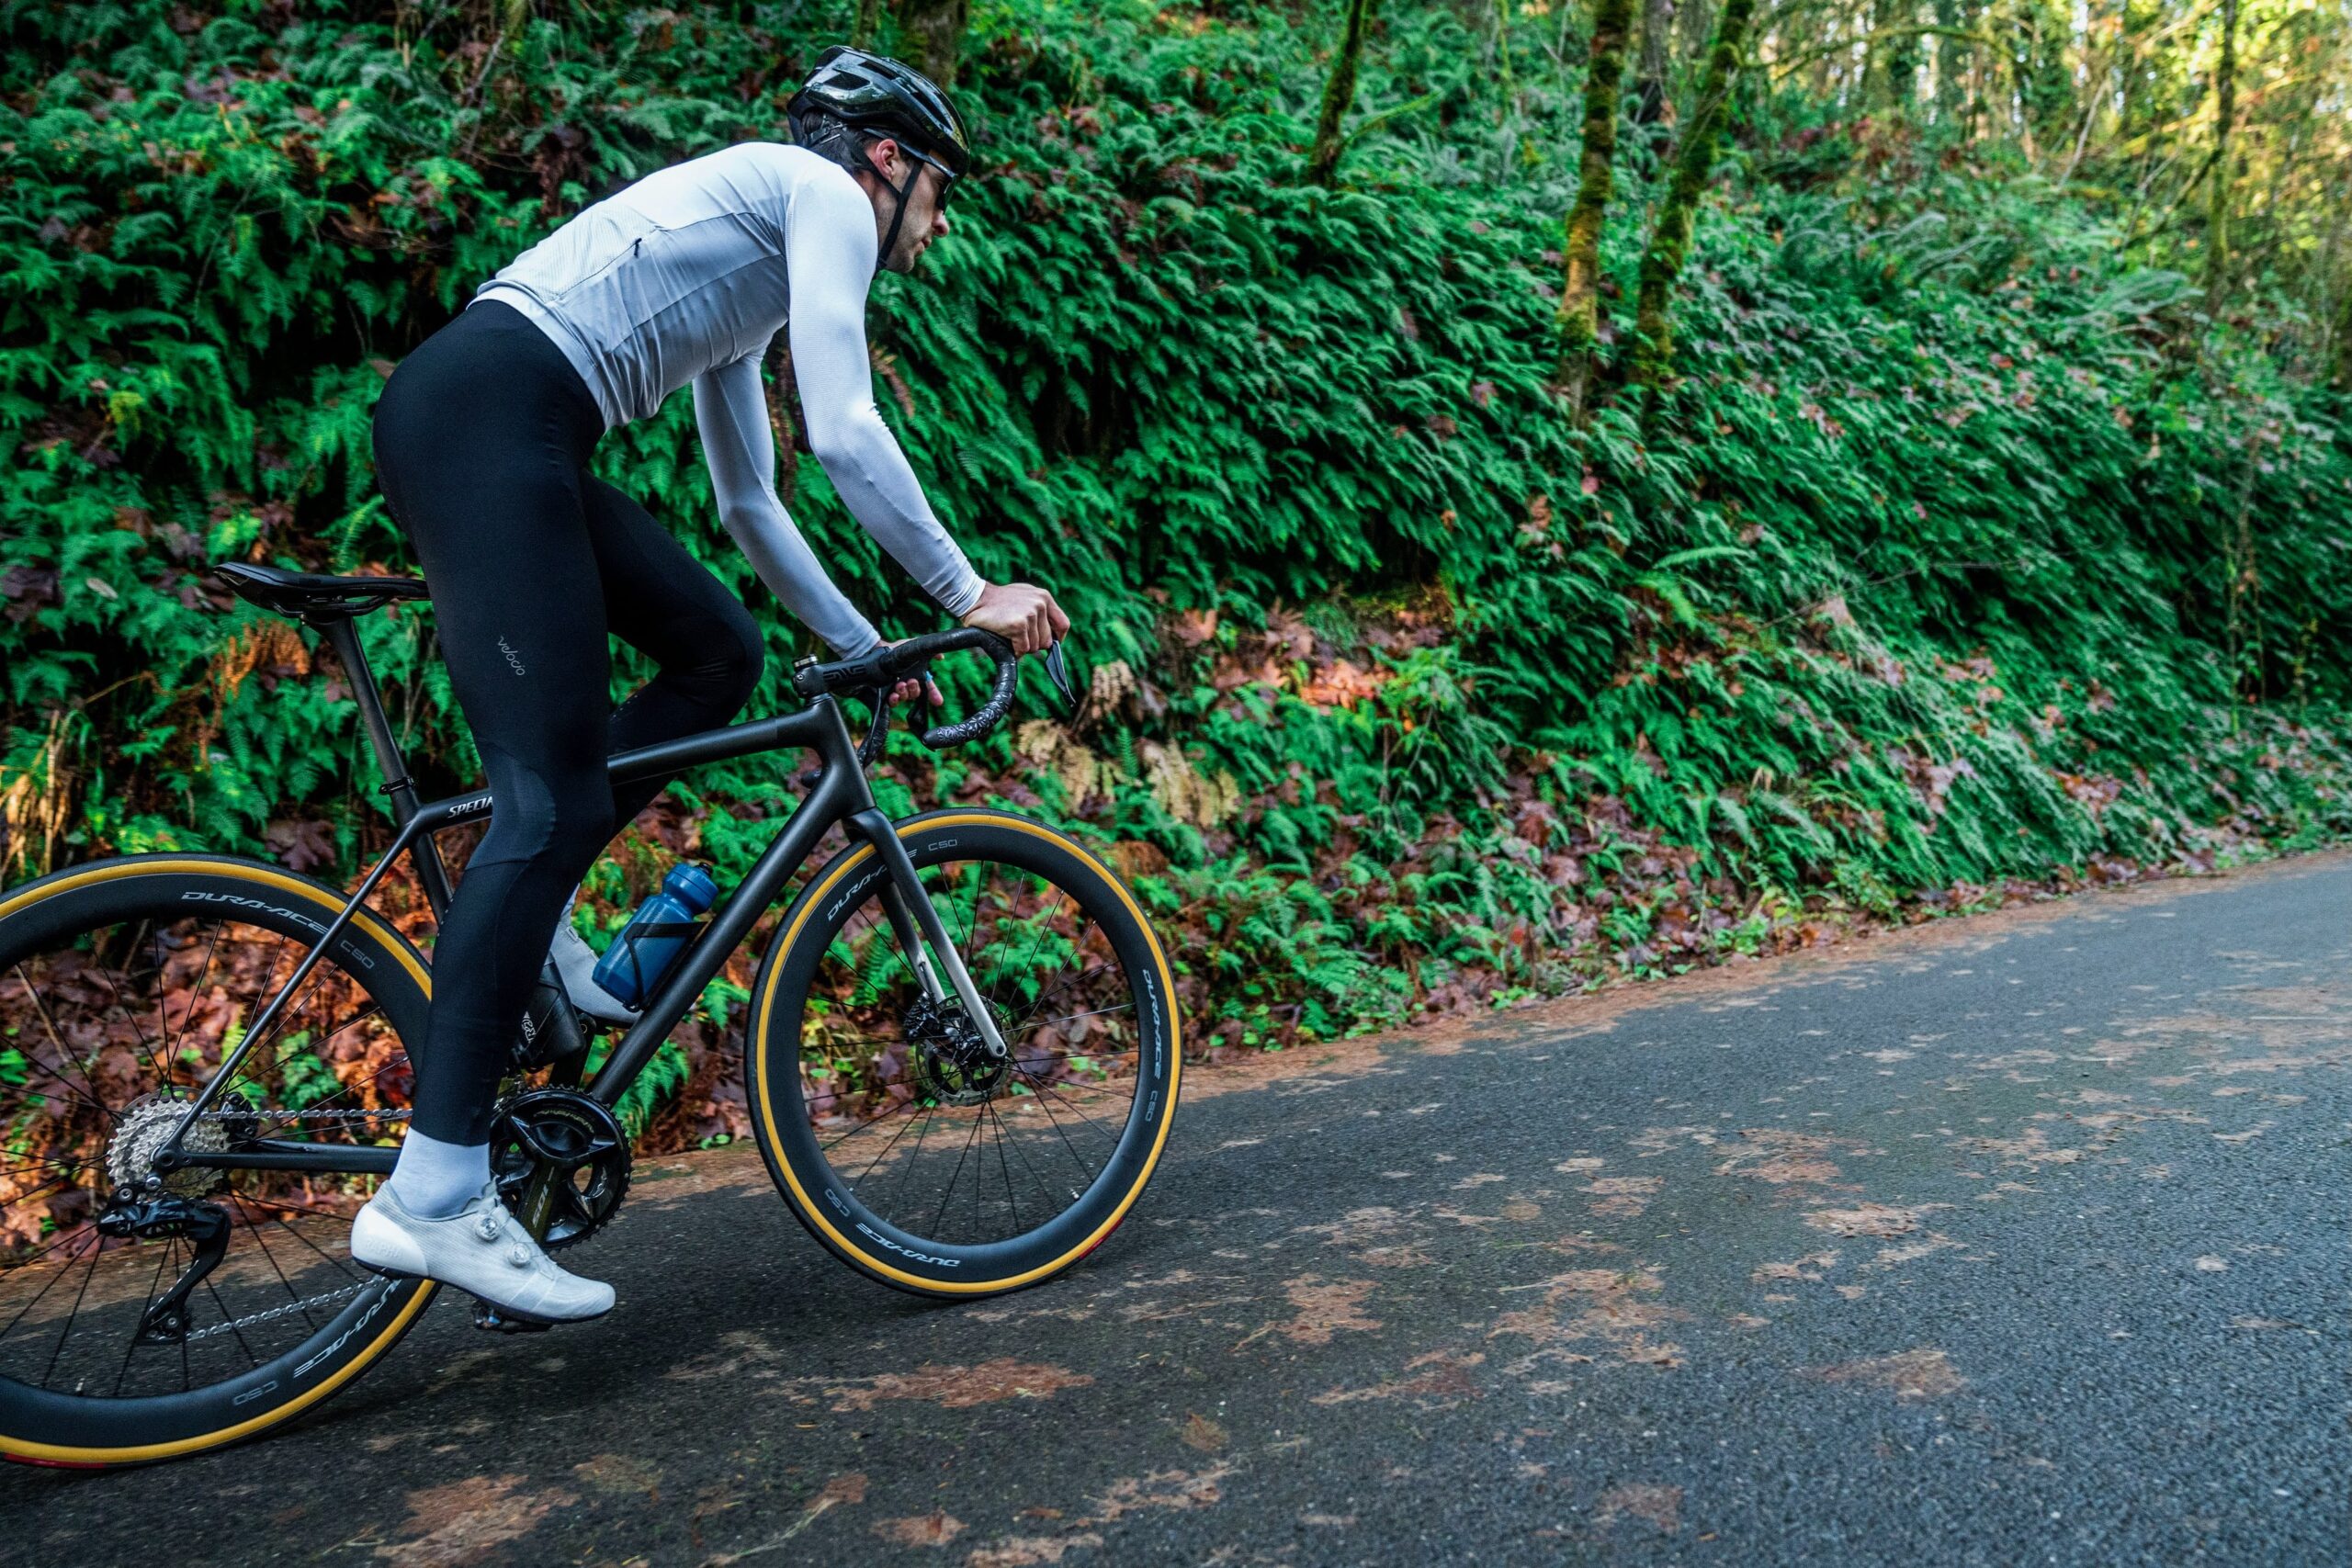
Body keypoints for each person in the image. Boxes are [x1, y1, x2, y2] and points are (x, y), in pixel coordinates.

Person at [350, 48, 1068, 1323]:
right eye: (938, 191)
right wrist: (966, 595)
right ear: (888, 160)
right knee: (548, 804)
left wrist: (857, 645)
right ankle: (439, 1188)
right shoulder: (824, 194)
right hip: (490, 415)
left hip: (496, 416)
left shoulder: (753, 259)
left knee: (717, 653)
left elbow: (752, 502)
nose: (935, 224)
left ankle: (553, 957)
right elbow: (846, 431)